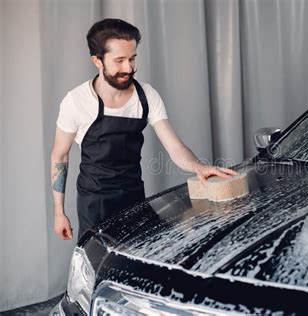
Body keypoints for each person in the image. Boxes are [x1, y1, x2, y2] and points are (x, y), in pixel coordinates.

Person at [50, 18, 238, 241]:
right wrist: (59, 213)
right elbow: (59, 155)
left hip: (134, 196)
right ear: (97, 61)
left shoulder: (146, 96)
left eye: (132, 58)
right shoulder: (76, 101)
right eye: (119, 60)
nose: (128, 68)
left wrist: (198, 167)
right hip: (95, 203)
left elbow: (175, 147)